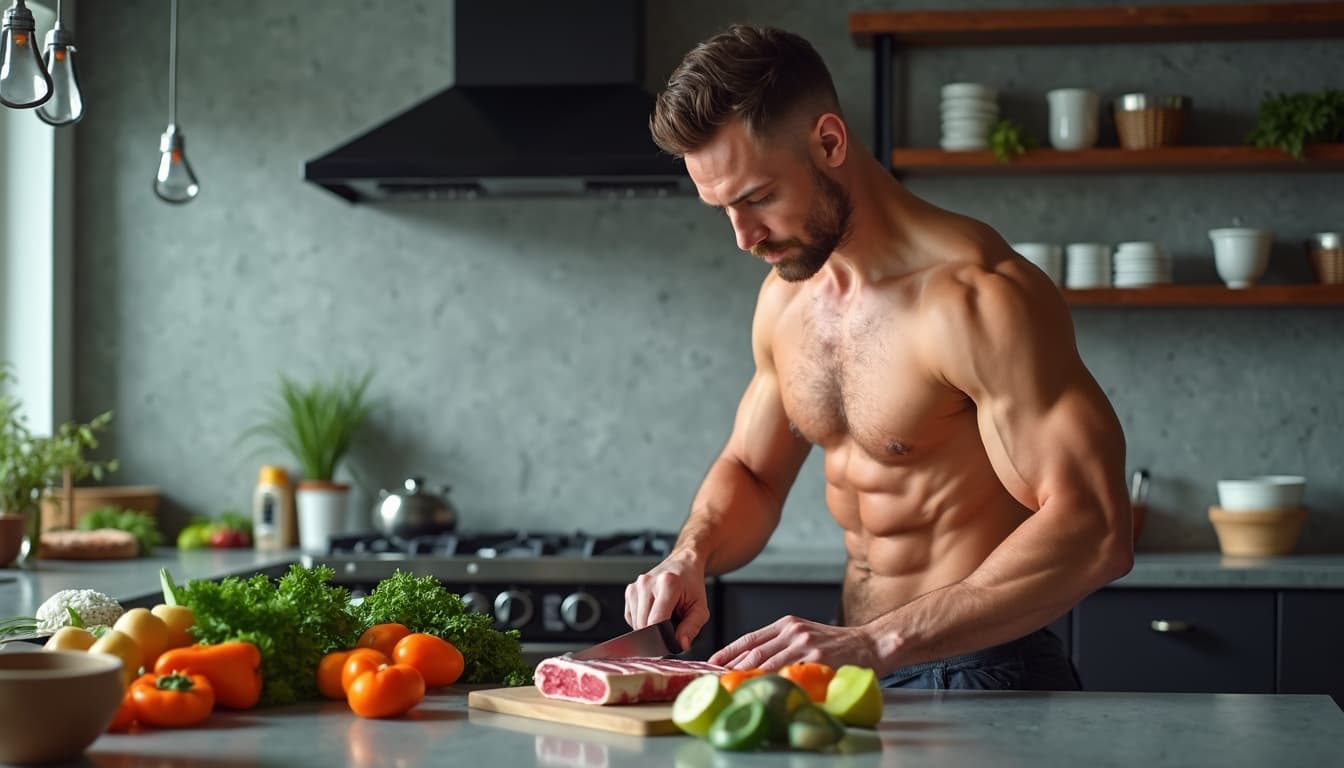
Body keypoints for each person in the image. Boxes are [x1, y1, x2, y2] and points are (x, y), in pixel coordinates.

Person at [623, 24, 1134, 690]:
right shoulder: (786, 300)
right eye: (722, 209)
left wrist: (876, 641)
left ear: (829, 142)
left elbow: (1096, 528)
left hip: (979, 673)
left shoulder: (975, 298)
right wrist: (690, 556)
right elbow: (752, 472)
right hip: (852, 668)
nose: (744, 237)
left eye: (758, 198)